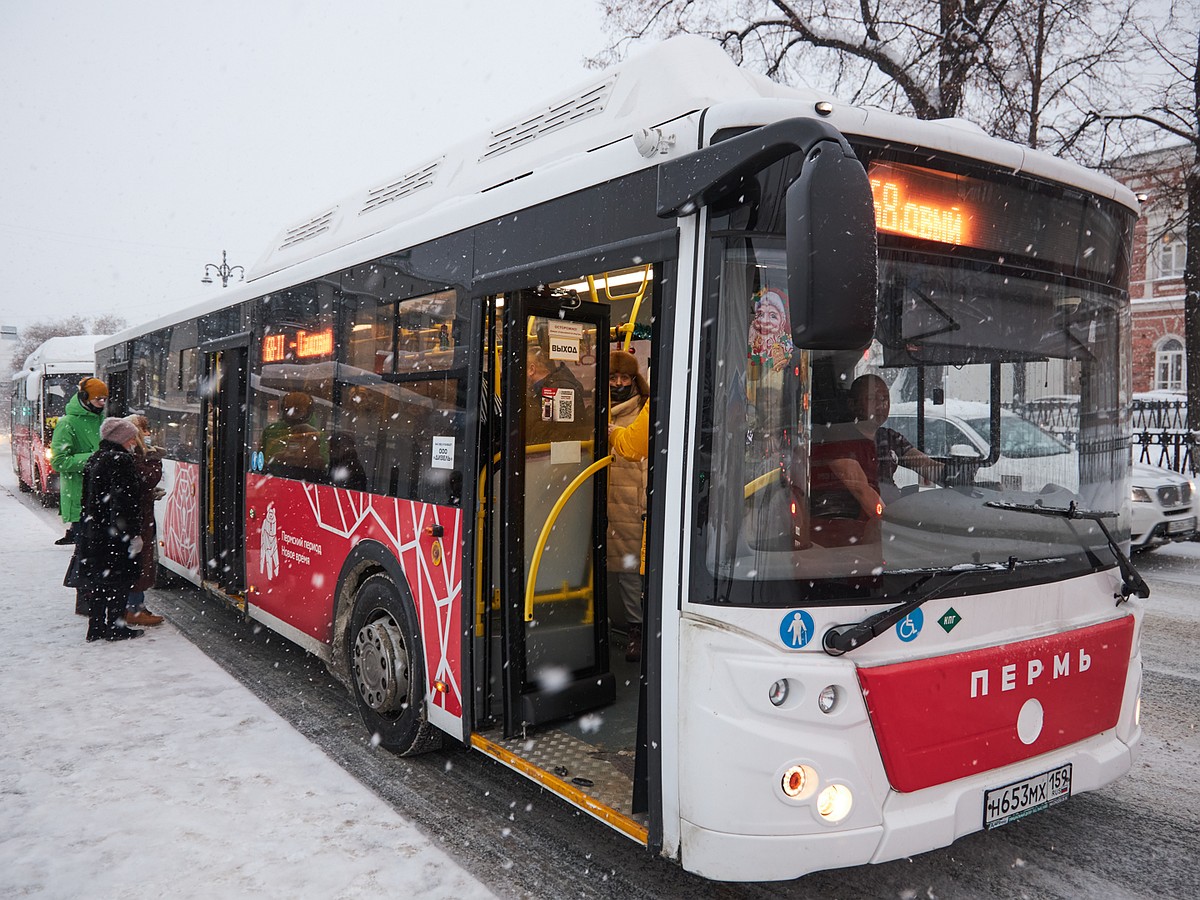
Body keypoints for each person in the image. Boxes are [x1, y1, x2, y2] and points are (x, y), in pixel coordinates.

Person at [809, 374, 943, 546]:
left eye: (885, 398)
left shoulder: (889, 437)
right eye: (873, 399)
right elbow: (862, 491)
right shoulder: (838, 440)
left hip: (884, 526)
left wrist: (954, 475)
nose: (882, 405)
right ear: (853, 404)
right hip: (849, 533)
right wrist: (898, 532)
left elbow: (924, 464)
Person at [77, 417, 147, 642]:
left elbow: (87, 499)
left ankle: (95, 627)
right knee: (120, 582)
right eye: (130, 438)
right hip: (115, 535)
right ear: (122, 439)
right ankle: (116, 627)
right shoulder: (121, 461)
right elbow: (124, 503)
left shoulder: (96, 458)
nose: (133, 442)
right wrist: (133, 534)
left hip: (96, 532)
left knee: (99, 582)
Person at [607, 351, 649, 662]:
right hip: (607, 500)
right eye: (613, 378)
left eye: (625, 378)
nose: (619, 383)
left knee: (630, 572)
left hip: (631, 502)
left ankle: (637, 630)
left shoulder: (641, 412)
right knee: (621, 571)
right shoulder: (601, 409)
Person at [50, 377, 107, 546]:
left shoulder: (103, 421)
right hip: (81, 498)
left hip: (101, 498)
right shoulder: (67, 423)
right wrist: (94, 457)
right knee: (87, 557)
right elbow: (59, 462)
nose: (102, 403)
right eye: (98, 399)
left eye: (105, 399)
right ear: (84, 397)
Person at [124, 415, 165, 627]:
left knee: (140, 560)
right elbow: (146, 478)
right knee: (138, 561)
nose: (148, 434)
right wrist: (155, 458)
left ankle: (135, 605)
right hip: (138, 517)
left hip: (140, 514)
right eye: (145, 430)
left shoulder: (133, 455)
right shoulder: (135, 456)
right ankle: (134, 608)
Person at [262, 391, 328, 475]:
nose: (292, 414)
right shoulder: (271, 431)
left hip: (307, 479)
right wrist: (278, 457)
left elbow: (323, 465)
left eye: (298, 411)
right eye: (288, 409)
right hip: (274, 477)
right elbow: (263, 460)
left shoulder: (317, 435)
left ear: (308, 412)